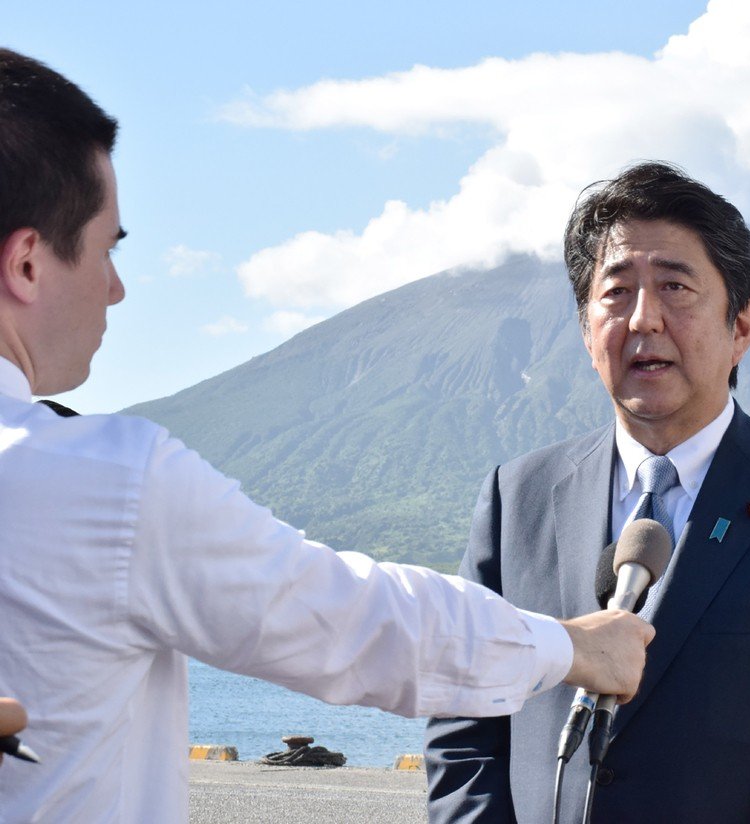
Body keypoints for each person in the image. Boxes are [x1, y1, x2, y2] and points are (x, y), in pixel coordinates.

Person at [0, 48, 653, 823]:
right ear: (29, 265)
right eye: (109, 248)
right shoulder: (101, 483)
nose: (116, 286)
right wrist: (573, 648)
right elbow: (353, 619)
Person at [424, 162, 750, 822]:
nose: (644, 319)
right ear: (586, 326)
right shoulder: (519, 495)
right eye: (617, 293)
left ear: (742, 327)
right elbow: (464, 725)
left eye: (676, 287)